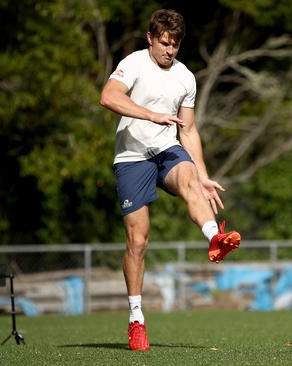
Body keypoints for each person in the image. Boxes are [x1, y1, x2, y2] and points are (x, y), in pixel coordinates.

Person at [99, 9, 241, 351]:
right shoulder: (133, 64)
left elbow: (188, 129)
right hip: (132, 157)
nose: (170, 50)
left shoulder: (185, 77)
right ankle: (136, 319)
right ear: (150, 38)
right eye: (164, 43)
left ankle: (215, 238)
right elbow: (108, 97)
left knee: (191, 179)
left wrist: (204, 175)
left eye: (175, 44)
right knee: (138, 240)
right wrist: (151, 115)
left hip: (166, 149)